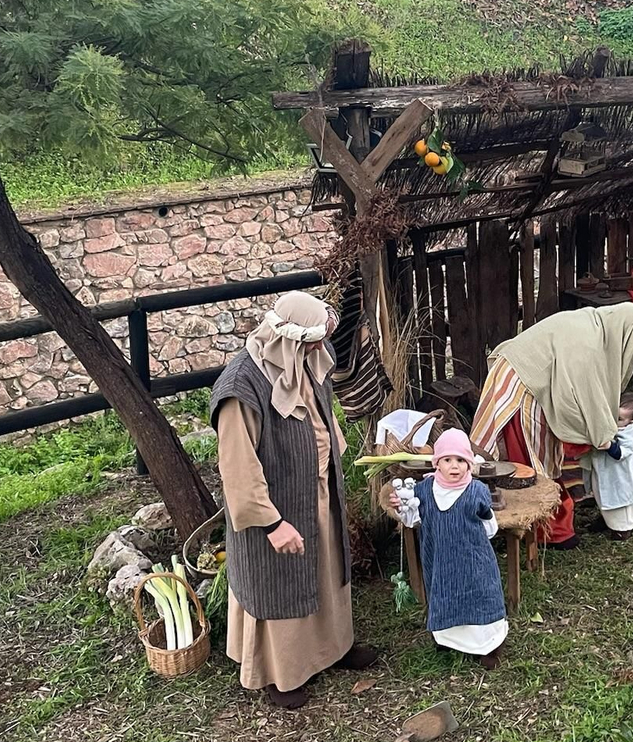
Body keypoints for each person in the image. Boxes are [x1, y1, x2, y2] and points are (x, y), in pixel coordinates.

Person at [210, 292, 377, 709]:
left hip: (317, 490)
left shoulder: (306, 361)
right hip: (277, 504)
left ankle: (333, 651)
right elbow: (238, 467)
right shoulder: (240, 387)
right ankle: (281, 673)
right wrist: (270, 523)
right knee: (280, 583)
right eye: (313, 341)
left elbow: (323, 416)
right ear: (289, 338)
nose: (321, 349)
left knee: (325, 570)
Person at [470, 303, 633, 547]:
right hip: (521, 385)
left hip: (525, 378)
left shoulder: (594, 325)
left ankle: (536, 523)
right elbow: (582, 392)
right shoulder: (588, 342)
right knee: (528, 461)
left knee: (534, 456)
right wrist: (600, 432)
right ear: (621, 328)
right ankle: (546, 529)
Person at [392, 429, 508, 668]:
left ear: (469, 464)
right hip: (440, 560)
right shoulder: (424, 491)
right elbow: (411, 519)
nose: (454, 467)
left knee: (480, 597)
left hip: (474, 562)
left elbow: (490, 528)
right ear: (437, 463)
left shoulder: (476, 491)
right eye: (447, 460)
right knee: (445, 594)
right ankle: (449, 638)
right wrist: (402, 506)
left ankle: (488, 645)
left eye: (460, 461)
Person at [581, 392, 633, 539]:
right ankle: (607, 520)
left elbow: (621, 453)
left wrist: (609, 445)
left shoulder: (630, 433)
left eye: (619, 419)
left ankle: (623, 529)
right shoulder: (607, 425)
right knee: (603, 494)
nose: (614, 421)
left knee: (621, 502)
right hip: (604, 471)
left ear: (630, 421)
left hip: (620, 474)